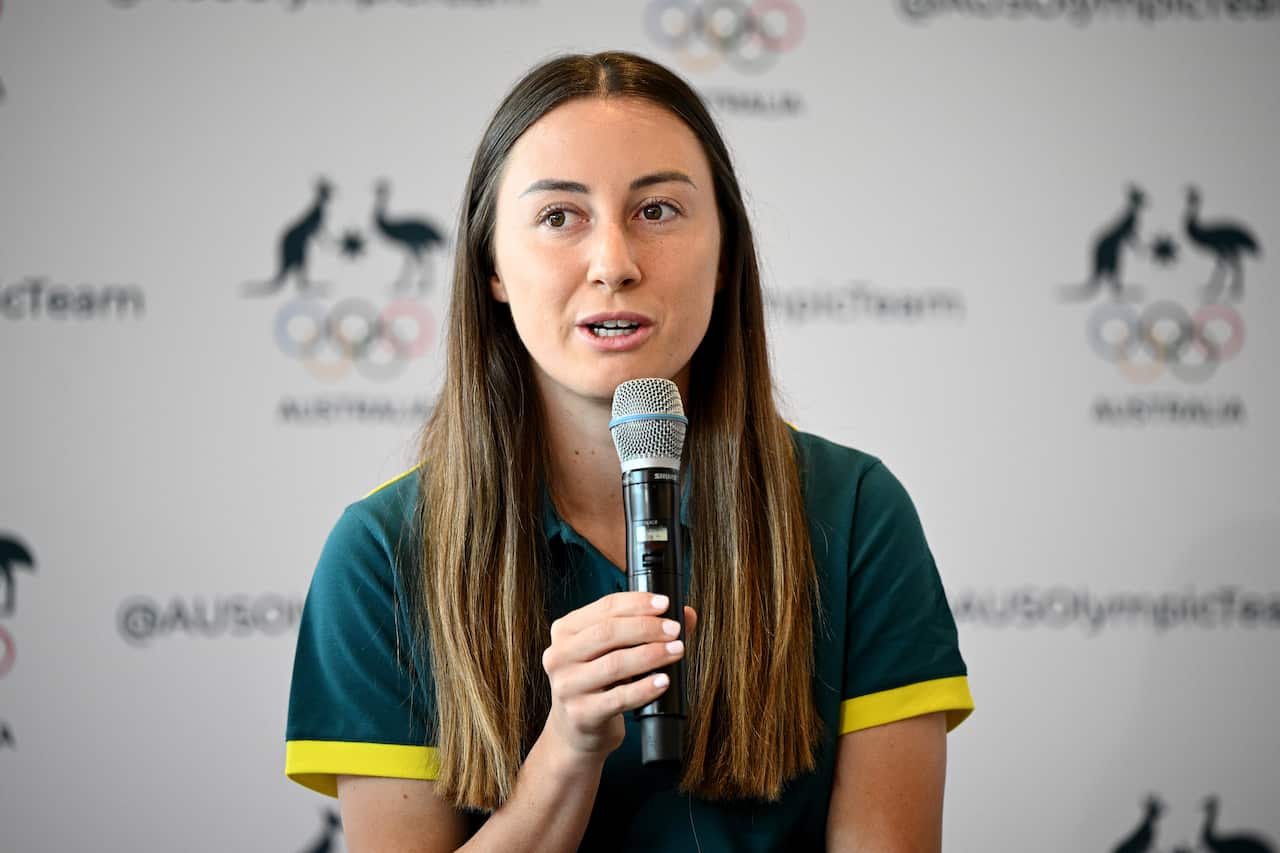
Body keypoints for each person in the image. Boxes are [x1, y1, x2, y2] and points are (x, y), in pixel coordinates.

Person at [285, 51, 973, 852]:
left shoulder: (855, 510)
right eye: (557, 217)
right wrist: (567, 752)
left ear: (726, 258)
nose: (614, 263)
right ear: (493, 266)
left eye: (657, 211)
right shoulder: (382, 551)